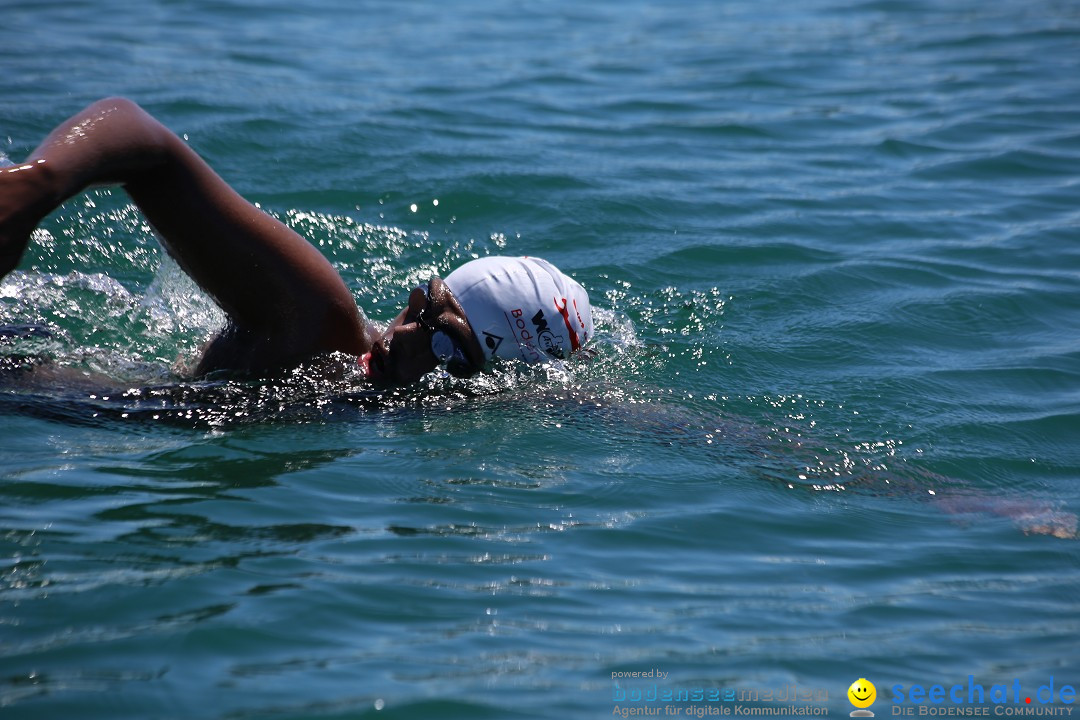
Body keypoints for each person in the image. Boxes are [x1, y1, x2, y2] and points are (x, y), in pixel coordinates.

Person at [0, 98, 592, 384]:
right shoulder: (319, 324)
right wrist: (34, 187)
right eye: (422, 307)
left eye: (443, 346)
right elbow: (146, 146)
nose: (406, 334)